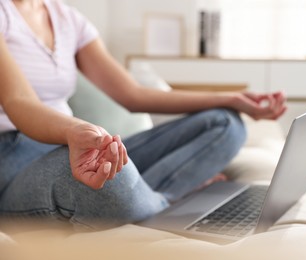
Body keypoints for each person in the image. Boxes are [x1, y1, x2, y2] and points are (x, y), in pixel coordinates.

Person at [0, 0, 286, 230]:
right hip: (14, 158)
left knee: (225, 123)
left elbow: (133, 94)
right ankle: (171, 200)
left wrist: (231, 99)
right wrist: (77, 130)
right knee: (110, 177)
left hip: (68, 145)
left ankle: (155, 200)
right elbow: (19, 101)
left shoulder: (67, 18)